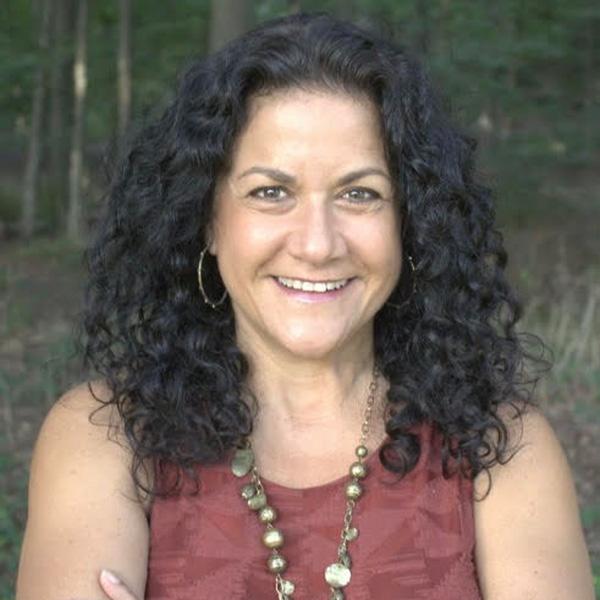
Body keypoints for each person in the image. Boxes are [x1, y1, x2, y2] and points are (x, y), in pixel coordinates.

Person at [16, 12, 594, 600]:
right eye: (271, 192)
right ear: (207, 219)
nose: (317, 244)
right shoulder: (106, 436)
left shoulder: (502, 446)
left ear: (410, 223)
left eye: (360, 193)